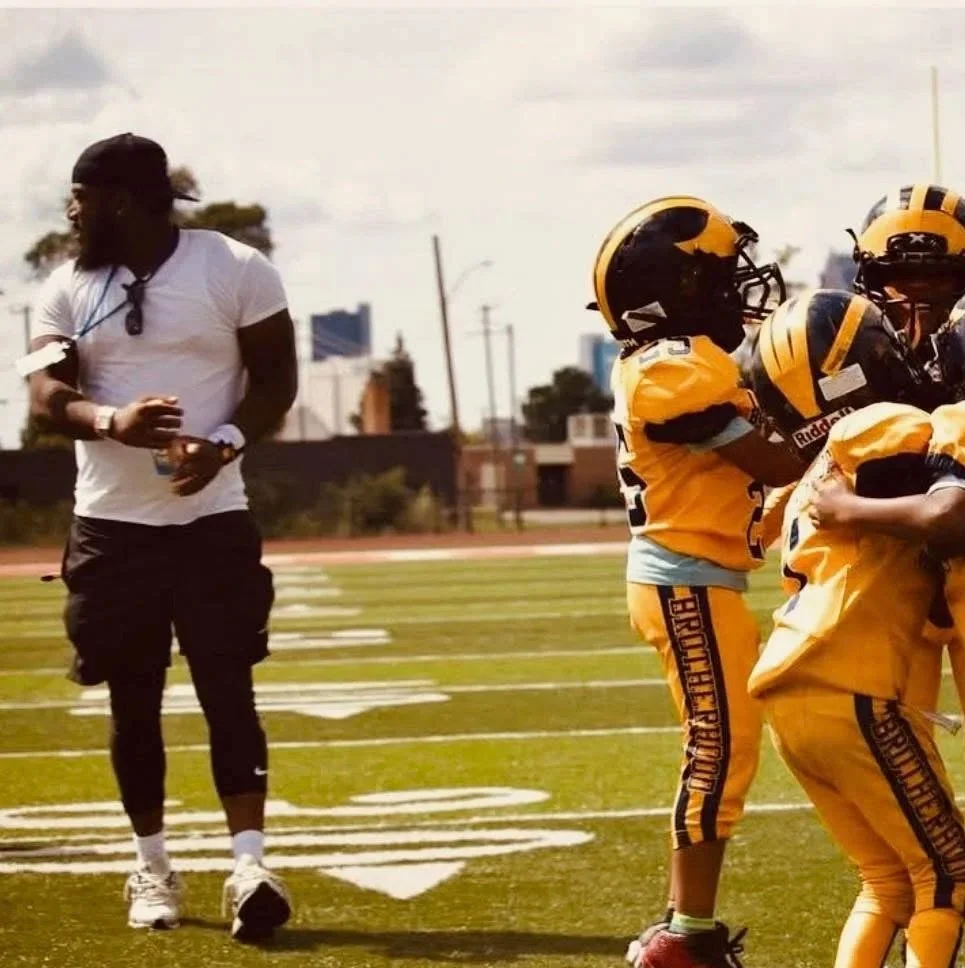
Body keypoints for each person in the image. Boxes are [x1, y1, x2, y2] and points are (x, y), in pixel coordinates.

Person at [26, 133, 298, 940]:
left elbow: (276, 379)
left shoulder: (234, 268)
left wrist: (224, 445)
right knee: (132, 703)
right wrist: (114, 421)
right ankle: (152, 867)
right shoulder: (66, 287)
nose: (70, 211)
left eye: (79, 196)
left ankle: (248, 866)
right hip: (111, 529)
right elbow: (46, 397)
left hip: (212, 520)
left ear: (117, 198)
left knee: (229, 692)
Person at [588, 196, 804, 968]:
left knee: (723, 748)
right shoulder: (668, 370)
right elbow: (776, 464)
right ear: (676, 288)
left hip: (700, 575)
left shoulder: (686, 360)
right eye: (717, 274)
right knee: (718, 750)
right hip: (684, 581)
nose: (736, 286)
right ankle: (683, 938)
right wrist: (840, 423)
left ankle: (684, 926)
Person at [747, 289, 965, 968]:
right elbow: (944, 516)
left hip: (790, 703)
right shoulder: (879, 427)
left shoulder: (808, 473)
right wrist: (848, 512)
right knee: (947, 879)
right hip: (853, 691)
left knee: (885, 883)